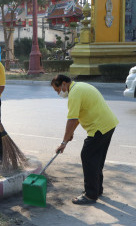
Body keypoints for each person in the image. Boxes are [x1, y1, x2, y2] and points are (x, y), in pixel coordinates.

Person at [51, 75, 119, 205]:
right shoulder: (80, 86)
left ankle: (90, 195)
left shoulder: (74, 93)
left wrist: (63, 142)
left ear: (64, 84)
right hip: (108, 125)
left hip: (99, 128)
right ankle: (97, 189)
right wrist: (70, 133)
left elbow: (72, 119)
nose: (59, 93)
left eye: (58, 89)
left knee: (87, 157)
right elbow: (77, 117)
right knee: (97, 159)